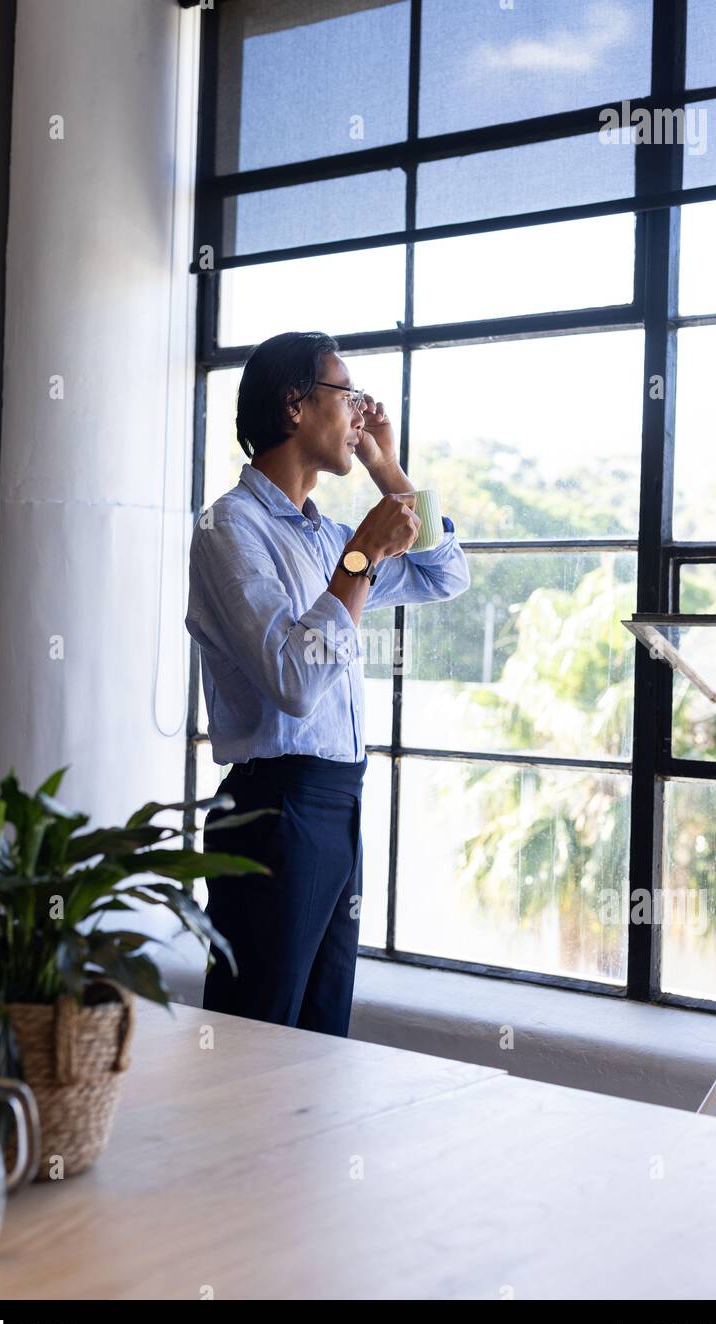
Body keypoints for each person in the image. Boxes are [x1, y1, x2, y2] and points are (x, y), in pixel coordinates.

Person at [185, 330, 470, 1037]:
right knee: (257, 1037)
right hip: (271, 807)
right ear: (293, 406)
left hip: (339, 798)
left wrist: (386, 466)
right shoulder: (230, 528)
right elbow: (292, 680)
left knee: (319, 1035)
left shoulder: (325, 535)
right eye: (345, 395)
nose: (360, 411)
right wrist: (362, 557)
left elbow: (445, 575)